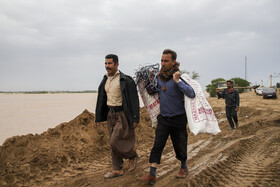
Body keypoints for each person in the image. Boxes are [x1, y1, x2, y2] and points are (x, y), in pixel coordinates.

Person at [138, 49, 196, 184]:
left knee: (180, 144)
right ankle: (152, 173)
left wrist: (177, 82)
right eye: (162, 60)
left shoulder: (179, 76)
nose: (163, 63)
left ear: (173, 62)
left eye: (166, 61)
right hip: (163, 118)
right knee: (157, 145)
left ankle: (184, 167)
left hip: (178, 118)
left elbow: (191, 93)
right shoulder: (159, 77)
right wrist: (147, 81)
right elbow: (153, 92)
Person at [95, 54, 139, 179]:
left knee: (114, 141)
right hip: (110, 114)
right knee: (112, 142)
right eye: (105, 63)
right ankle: (117, 169)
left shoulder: (126, 80)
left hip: (122, 114)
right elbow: (101, 99)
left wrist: (136, 118)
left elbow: (134, 100)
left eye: (109, 63)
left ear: (116, 64)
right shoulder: (105, 80)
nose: (107, 66)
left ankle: (132, 155)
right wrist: (98, 117)